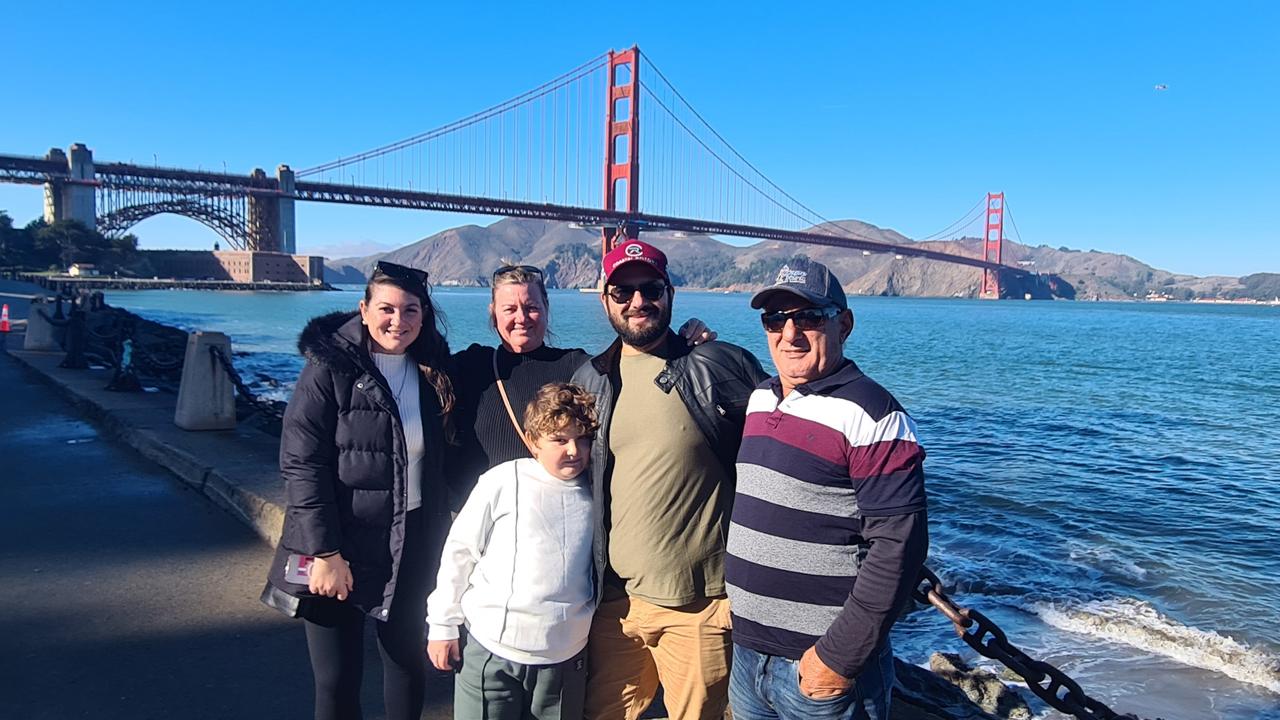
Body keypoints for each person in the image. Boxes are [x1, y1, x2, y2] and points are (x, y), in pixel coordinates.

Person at [570, 239, 769, 720]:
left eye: (650, 288)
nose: (638, 302)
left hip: (700, 606)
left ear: (670, 293)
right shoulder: (591, 379)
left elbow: (783, 445)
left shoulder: (718, 364)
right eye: (623, 292)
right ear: (605, 299)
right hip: (617, 604)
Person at [725, 258, 929, 720]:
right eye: (775, 319)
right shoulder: (762, 397)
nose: (790, 333)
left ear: (845, 324)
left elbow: (900, 547)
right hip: (748, 655)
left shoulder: (874, 416)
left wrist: (836, 661)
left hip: (818, 672)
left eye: (810, 317)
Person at [261, 261, 456, 720]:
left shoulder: (431, 371)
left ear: (424, 316)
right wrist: (324, 552)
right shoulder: (329, 368)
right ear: (363, 309)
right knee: (337, 680)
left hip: (410, 541)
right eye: (386, 308)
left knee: (407, 665)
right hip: (338, 541)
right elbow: (302, 463)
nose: (398, 321)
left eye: (411, 310)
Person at [447, 264, 714, 503]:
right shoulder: (471, 366)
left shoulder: (580, 368)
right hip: (489, 527)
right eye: (509, 309)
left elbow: (641, 360)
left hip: (562, 518)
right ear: (494, 314)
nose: (522, 318)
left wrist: (687, 341)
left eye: (532, 308)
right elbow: (419, 359)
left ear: (546, 309)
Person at [426, 382, 599, 720]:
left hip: (564, 657)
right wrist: (442, 626)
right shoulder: (503, 480)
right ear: (534, 442)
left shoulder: (597, 492)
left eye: (583, 439)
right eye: (560, 440)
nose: (574, 451)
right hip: (491, 650)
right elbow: (460, 551)